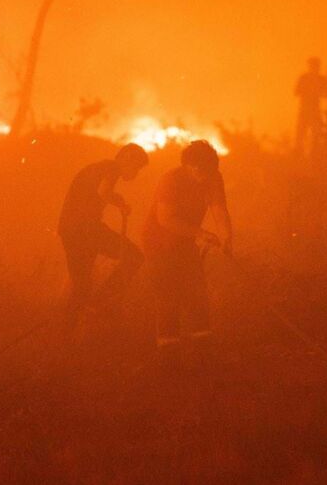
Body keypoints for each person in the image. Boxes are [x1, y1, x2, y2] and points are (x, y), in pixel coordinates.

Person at [142, 140, 232, 367]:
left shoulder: (212, 176)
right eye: (200, 170)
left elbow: (219, 208)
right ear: (188, 166)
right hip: (158, 243)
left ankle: (203, 352)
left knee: (197, 292)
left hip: (186, 242)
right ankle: (168, 355)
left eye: (210, 170)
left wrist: (227, 237)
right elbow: (165, 219)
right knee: (168, 296)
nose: (205, 175)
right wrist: (200, 233)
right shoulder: (171, 180)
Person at [58, 143, 149, 328]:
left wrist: (117, 199)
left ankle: (67, 333)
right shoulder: (111, 167)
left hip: (71, 230)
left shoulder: (98, 168)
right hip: (86, 229)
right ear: (126, 158)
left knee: (81, 286)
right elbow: (103, 192)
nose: (135, 174)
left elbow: (100, 192)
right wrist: (120, 204)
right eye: (136, 167)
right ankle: (101, 302)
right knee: (133, 256)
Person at [294, 56, 325, 154]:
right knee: (301, 132)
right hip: (305, 109)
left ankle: (314, 152)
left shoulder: (321, 79)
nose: (314, 68)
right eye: (312, 65)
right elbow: (296, 91)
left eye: (315, 66)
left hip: (314, 109)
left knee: (316, 132)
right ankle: (298, 152)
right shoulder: (304, 78)